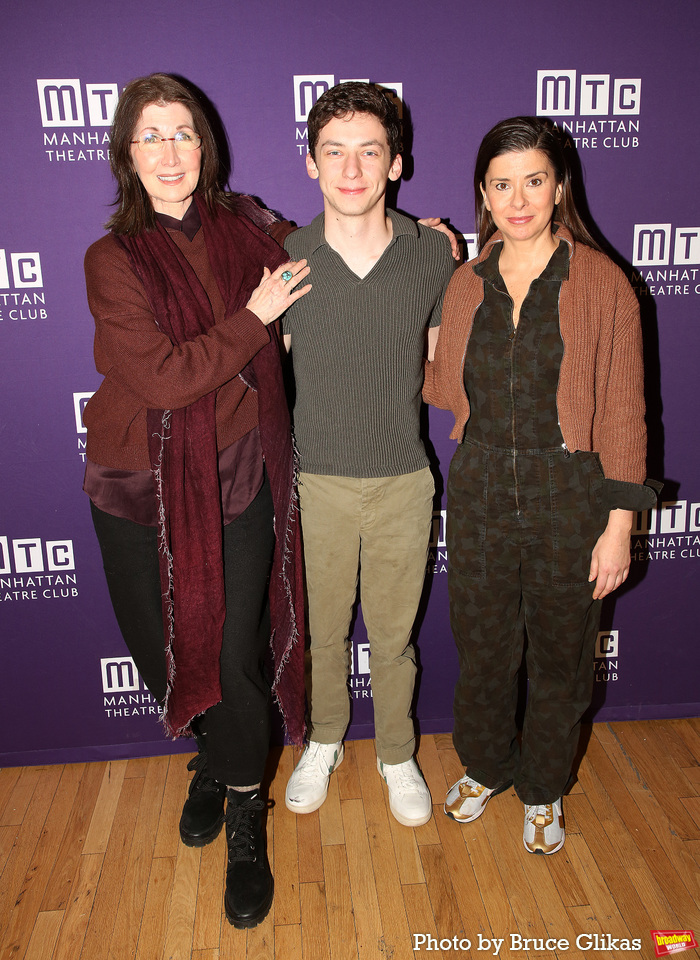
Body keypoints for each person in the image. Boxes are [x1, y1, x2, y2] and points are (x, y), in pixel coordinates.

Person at [83, 73, 311, 927]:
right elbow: (166, 378)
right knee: (164, 652)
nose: (170, 151)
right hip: (134, 485)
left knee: (234, 656)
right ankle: (218, 760)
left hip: (239, 471)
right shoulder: (110, 260)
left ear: (205, 145)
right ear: (127, 154)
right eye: (151, 136)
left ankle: (246, 807)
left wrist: (418, 240)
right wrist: (255, 317)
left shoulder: (249, 231)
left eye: (182, 133)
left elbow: (329, 250)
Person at [423, 116, 659, 854]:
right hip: (482, 487)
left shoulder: (601, 282)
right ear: (483, 195)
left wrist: (619, 522)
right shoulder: (466, 284)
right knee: (485, 648)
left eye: (533, 180)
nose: (517, 198)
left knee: (561, 656)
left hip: (572, 492)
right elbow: (441, 388)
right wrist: (432, 277)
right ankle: (487, 767)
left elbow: (624, 408)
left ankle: (545, 787)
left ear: (559, 187)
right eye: (501, 184)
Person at [282, 82, 455, 828]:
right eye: (334, 152)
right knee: (320, 632)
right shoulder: (285, 259)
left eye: (369, 151)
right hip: (313, 479)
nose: (351, 169)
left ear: (396, 163)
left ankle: (394, 752)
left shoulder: (433, 256)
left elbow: (443, 368)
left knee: (394, 636)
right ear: (311, 163)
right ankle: (322, 740)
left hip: (402, 481)